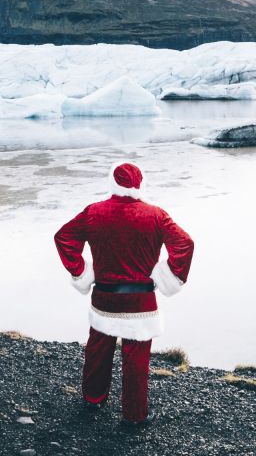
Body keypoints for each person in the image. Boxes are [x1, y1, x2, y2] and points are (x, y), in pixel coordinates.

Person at [53, 162, 194, 426]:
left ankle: (93, 398)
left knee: (98, 351)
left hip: (104, 298)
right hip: (141, 302)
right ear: (140, 185)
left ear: (112, 184)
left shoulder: (94, 212)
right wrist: (166, 275)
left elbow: (63, 237)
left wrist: (82, 271)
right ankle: (134, 415)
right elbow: (185, 244)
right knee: (136, 359)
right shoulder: (156, 215)